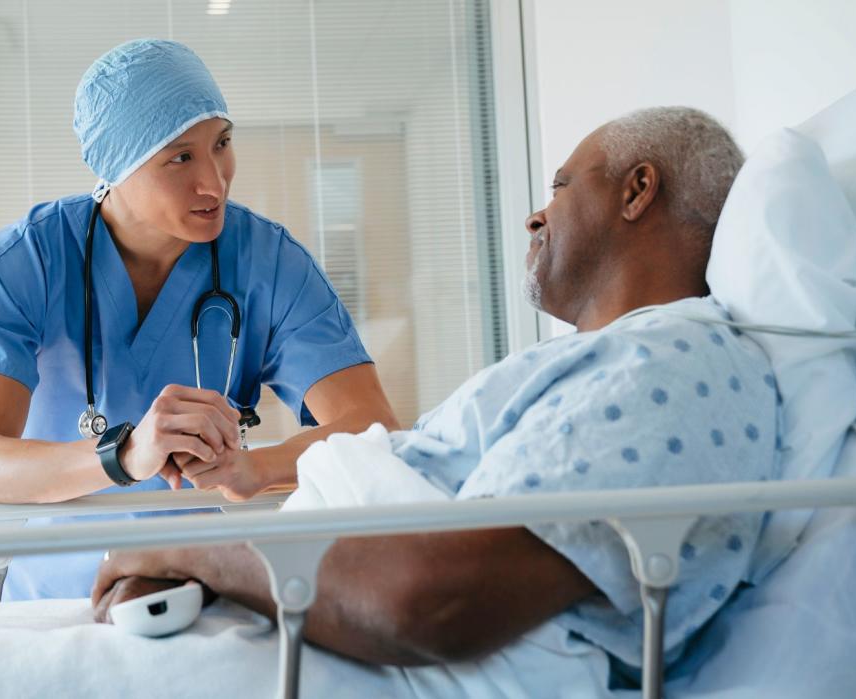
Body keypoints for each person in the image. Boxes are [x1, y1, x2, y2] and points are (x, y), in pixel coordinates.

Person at [92, 106, 779, 674]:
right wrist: (192, 568)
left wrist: (182, 548)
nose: (535, 217)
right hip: (320, 609)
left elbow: (432, 600)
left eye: (561, 188)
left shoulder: (671, 365)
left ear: (637, 190)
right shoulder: (603, 365)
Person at [0, 39, 397, 600]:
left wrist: (257, 469)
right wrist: (124, 455)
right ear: (115, 167)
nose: (215, 182)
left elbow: (373, 430)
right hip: (41, 603)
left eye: (221, 143)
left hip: (193, 595)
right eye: (180, 157)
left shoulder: (267, 262)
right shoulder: (25, 263)